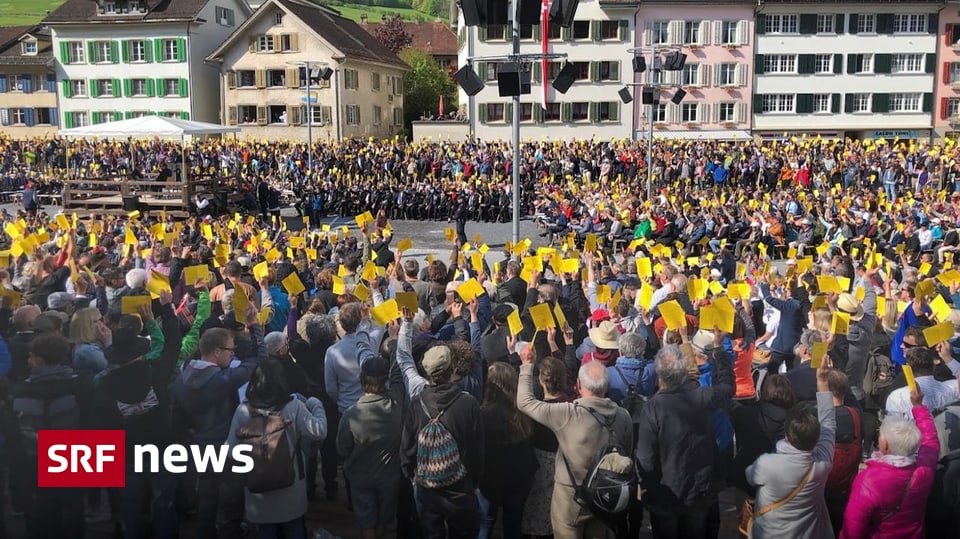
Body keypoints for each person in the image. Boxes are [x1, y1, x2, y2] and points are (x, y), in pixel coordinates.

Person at [517, 341, 633, 539]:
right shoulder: (623, 416)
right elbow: (626, 452)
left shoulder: (569, 414)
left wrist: (527, 365)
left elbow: (525, 402)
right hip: (604, 493)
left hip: (569, 496)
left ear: (579, 386)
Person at [172, 315, 265, 539]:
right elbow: (257, 360)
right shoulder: (221, 381)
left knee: (207, 500)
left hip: (199, 446)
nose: (233, 354)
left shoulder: (181, 378)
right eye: (230, 350)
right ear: (216, 352)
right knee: (232, 501)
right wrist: (253, 327)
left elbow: (178, 418)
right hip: (227, 447)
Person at [636, 334, 734, 539]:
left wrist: (648, 489)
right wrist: (718, 349)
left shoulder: (653, 407)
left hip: (667, 493)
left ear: (659, 375)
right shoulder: (701, 396)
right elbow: (727, 387)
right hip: (697, 490)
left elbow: (646, 458)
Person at [226, 360, 327, 539]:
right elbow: (319, 431)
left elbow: (230, 451)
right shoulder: (293, 407)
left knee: (265, 530)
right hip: (291, 480)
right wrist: (315, 404)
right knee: (294, 526)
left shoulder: (243, 411)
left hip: (257, 486)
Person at [400, 343, 484, 539]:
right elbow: (477, 451)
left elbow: (407, 448)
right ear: (452, 369)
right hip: (460, 489)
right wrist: (473, 482)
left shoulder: (416, 404)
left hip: (426, 487)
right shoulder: (469, 403)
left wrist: (413, 477)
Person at [10, 334, 91, 539]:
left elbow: (16, 434)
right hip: (74, 456)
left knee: (41, 512)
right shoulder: (81, 385)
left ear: (39, 359)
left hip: (34, 458)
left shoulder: (21, 390)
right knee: (74, 511)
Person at [746, 362, 838, 539]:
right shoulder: (823, 462)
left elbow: (750, 476)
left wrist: (822, 380)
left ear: (787, 435)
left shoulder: (767, 463)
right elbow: (828, 422)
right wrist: (823, 381)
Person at [840, 385, 939, 538]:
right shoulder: (924, 471)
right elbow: (930, 442)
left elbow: (852, 527)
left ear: (884, 445)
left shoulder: (869, 480)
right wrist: (918, 406)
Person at [337, 329, 404, 539]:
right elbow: (398, 375)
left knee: (366, 522)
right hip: (389, 477)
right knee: (384, 520)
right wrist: (394, 343)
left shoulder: (350, 415)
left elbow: (342, 449)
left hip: (359, 476)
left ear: (362, 380)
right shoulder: (396, 404)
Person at [478, 361, 536, 539]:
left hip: (489, 478)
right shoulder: (524, 411)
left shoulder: (482, 414)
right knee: (513, 523)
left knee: (485, 522)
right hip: (518, 478)